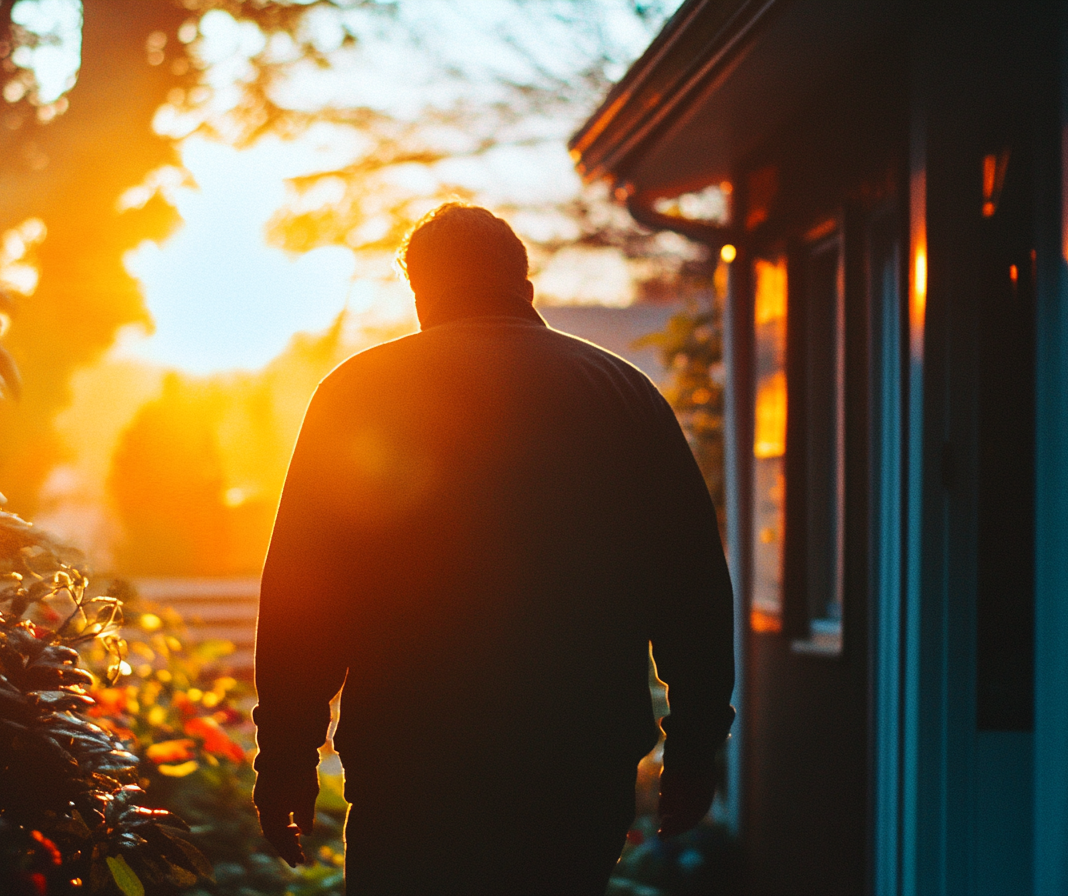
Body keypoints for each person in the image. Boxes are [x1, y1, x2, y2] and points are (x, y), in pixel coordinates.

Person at [251, 203, 735, 895]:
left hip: (413, 766)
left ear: (420, 291)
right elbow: (691, 586)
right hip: (574, 764)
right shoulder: (624, 395)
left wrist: (286, 762)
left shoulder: (357, 392)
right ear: (524, 285)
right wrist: (693, 748)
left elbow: (305, 588)